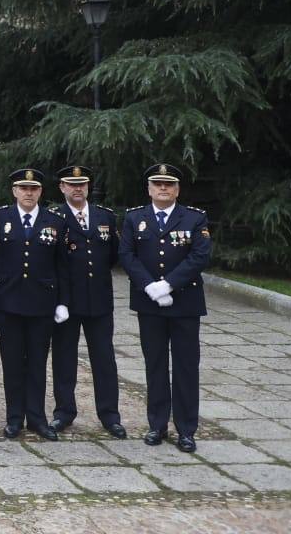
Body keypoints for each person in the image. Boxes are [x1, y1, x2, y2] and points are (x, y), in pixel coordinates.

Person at [119, 163, 211, 452]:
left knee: (185, 367)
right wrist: (149, 286)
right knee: (155, 365)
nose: (163, 188)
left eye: (168, 184)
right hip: (150, 305)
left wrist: (169, 284)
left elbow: (199, 256)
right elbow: (127, 254)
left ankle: (186, 430)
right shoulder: (135, 218)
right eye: (157, 184)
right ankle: (157, 425)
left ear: (177, 189)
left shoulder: (194, 218)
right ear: (149, 188)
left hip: (185, 304)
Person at [0, 169, 69, 442]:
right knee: (12, 364)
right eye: (23, 188)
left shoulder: (55, 221)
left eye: (33, 188)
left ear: (41, 192)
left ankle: (37, 418)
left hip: (41, 304)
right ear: (14, 191)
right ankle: (14, 418)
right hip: (8, 304)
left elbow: (63, 266)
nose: (28, 193)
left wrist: (62, 302)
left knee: (37, 363)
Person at [47, 166, 125, 439]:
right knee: (64, 358)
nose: (77, 189)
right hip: (67, 302)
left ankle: (110, 415)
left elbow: (113, 256)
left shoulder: (105, 216)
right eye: (71, 184)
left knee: (104, 359)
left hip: (100, 301)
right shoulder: (54, 218)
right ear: (62, 187)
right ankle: (64, 412)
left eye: (82, 184)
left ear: (88, 186)